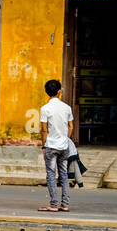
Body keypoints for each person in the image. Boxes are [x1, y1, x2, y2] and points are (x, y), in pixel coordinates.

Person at [38, 78, 74, 212]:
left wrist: (43, 146)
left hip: (51, 145)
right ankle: (65, 204)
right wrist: (66, 139)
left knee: (51, 174)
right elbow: (71, 127)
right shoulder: (67, 108)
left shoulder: (44, 109)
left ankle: (53, 204)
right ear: (59, 92)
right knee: (63, 174)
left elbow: (44, 129)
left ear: (47, 92)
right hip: (64, 146)